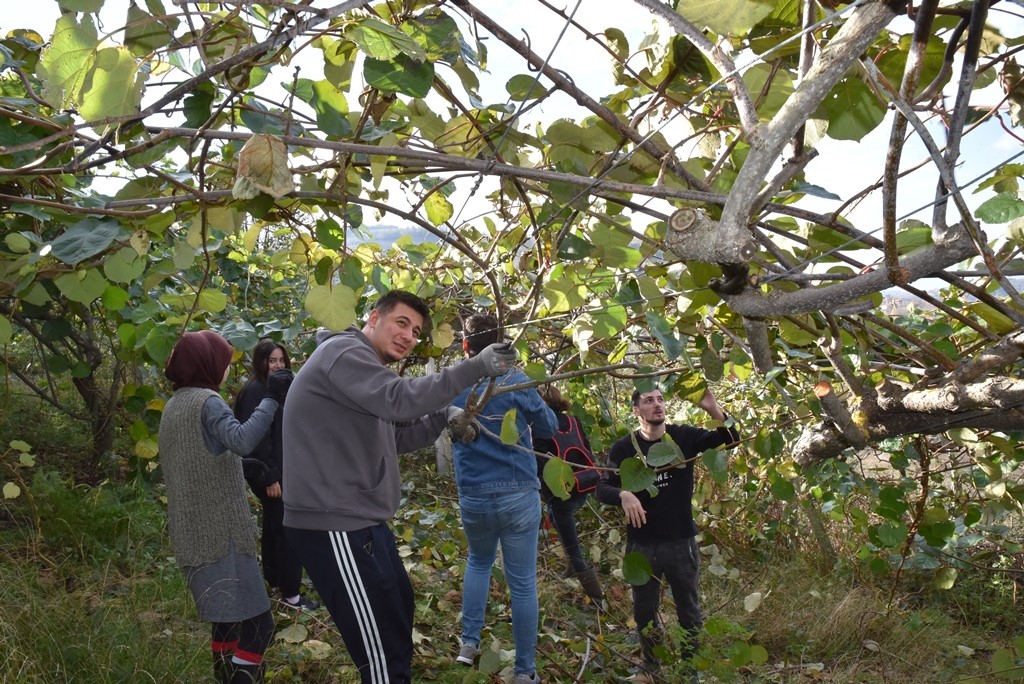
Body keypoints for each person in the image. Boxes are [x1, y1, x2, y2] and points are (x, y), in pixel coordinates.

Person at [281, 290, 518, 684]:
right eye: (401, 323)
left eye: (417, 331)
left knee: (397, 611)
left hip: (359, 516)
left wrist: (444, 415)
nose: (409, 336)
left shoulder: (363, 371)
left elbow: (394, 438)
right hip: (331, 522)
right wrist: (474, 366)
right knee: (379, 647)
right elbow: (400, 400)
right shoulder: (345, 353)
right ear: (374, 319)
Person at [158, 330, 294, 684]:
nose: (226, 370)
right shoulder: (207, 401)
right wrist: (273, 396)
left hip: (192, 535)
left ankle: (226, 677)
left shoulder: (175, 405)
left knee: (226, 622)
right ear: (205, 362)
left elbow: (196, 457)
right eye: (222, 360)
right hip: (221, 536)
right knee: (259, 626)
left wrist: (242, 466)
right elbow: (244, 438)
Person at [595, 386, 740, 683]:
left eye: (660, 399)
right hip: (641, 544)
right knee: (645, 610)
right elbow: (601, 487)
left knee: (688, 608)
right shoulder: (624, 448)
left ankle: (689, 671)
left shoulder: (682, 437)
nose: (657, 405)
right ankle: (651, 668)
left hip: (679, 540)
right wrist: (623, 494)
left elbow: (731, 439)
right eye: (649, 401)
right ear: (636, 410)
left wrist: (714, 409)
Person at [450, 313, 558, 684]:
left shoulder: (453, 382)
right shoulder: (515, 380)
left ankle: (468, 646)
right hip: (517, 491)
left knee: (478, 562)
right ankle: (525, 673)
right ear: (503, 344)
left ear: (466, 346)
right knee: (523, 583)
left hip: (474, 492)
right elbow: (549, 427)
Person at [234, 338, 318, 611]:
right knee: (287, 531)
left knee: (274, 527)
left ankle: (275, 582)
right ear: (260, 362)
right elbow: (256, 439)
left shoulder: (280, 389)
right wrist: (269, 476)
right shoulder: (257, 391)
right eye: (272, 361)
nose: (278, 366)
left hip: (281, 470)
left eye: (281, 360)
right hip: (269, 473)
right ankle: (291, 595)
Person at [533, 384, 604, 605]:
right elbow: (586, 449)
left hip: (562, 491)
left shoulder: (540, 426)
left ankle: (596, 598)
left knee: (573, 546)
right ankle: (574, 566)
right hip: (584, 484)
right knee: (557, 518)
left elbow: (539, 462)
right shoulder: (573, 421)